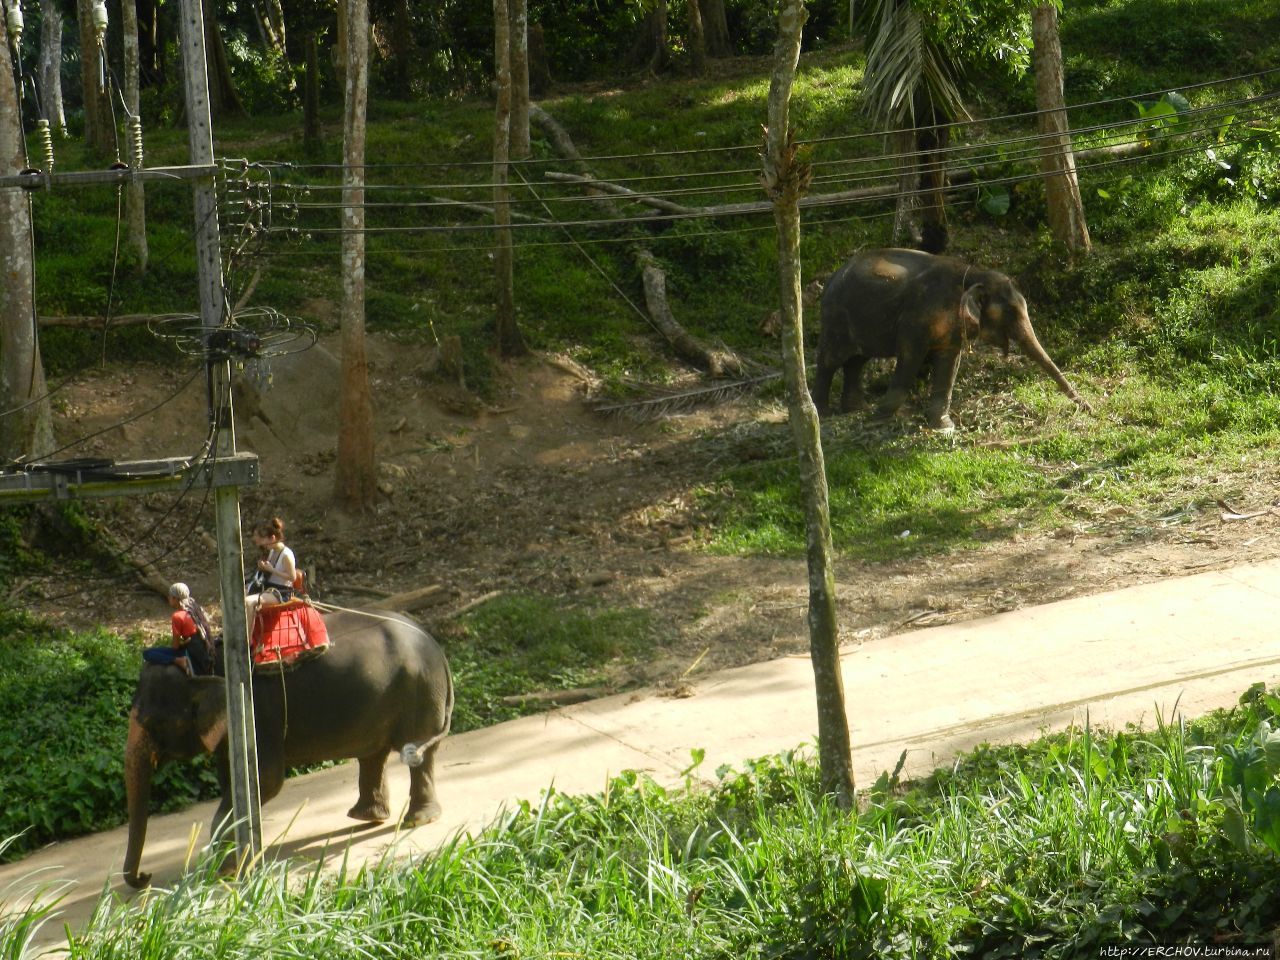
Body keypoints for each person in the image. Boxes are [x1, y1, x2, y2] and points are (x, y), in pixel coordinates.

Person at [143, 583, 215, 676]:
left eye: (170, 596)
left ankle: (179, 661)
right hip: (203, 650)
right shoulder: (195, 609)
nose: (168, 598)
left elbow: (175, 647)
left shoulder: (178, 616)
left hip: (191, 652)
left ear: (175, 599)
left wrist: (181, 644)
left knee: (148, 653)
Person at [245, 516, 297, 619]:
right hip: (268, 588)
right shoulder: (272, 551)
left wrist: (272, 570)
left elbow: (292, 577)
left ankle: (248, 635)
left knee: (248, 602)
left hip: (281, 592)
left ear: (273, 538)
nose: (263, 544)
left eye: (264, 539)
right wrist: (263, 568)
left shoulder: (286, 555)